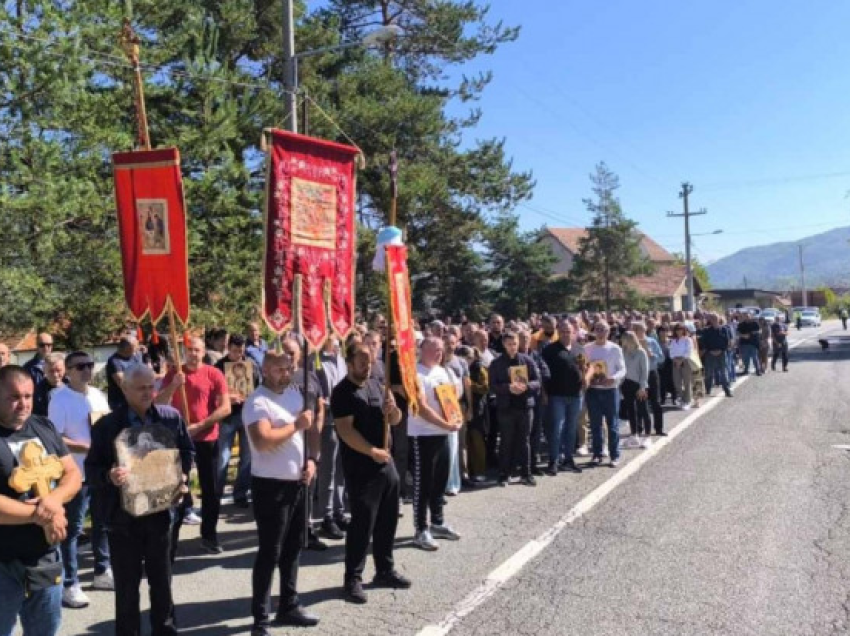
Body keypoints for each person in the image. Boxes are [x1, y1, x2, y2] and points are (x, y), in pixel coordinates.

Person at [86, 364, 194, 636]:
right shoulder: (106, 426)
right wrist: (109, 475)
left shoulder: (170, 418)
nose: (148, 393)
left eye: (151, 387)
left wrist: (182, 477)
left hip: (161, 514)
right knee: (126, 588)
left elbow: (187, 452)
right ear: (125, 389)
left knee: (162, 584)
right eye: (140, 388)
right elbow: (92, 469)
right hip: (124, 520)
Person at [0, 365, 82, 636]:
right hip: (4, 561)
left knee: (45, 631)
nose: (22, 403)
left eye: (27, 395)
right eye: (13, 397)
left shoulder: (43, 426)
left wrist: (54, 500)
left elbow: (72, 473)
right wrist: (42, 514)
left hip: (45, 556)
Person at [242, 352, 320, 634]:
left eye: (289, 368)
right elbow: (262, 441)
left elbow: (309, 431)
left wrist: (312, 460)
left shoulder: (294, 396)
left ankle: (289, 604)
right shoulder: (257, 401)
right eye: (279, 369)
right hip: (270, 486)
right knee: (270, 552)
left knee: (293, 548)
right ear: (265, 369)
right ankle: (260, 618)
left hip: (297, 483)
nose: (285, 373)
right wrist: (295, 425)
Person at [331, 342, 411, 604]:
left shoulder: (378, 385)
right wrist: (371, 451)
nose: (368, 366)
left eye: (371, 361)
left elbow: (395, 420)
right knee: (362, 525)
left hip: (386, 465)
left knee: (388, 521)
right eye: (362, 362)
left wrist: (394, 410)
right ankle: (352, 578)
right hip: (361, 466)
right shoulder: (342, 392)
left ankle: (384, 570)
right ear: (350, 362)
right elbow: (345, 431)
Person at [48, 352, 112, 609]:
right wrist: (86, 447)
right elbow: (56, 438)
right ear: (68, 372)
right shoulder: (59, 399)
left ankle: (101, 571)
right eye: (81, 367)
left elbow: (107, 426)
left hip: (100, 470)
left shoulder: (97, 394)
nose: (87, 370)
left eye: (90, 365)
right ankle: (70, 583)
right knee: (73, 529)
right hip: (75, 473)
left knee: (103, 523)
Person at [157, 337, 231, 554]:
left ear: (203, 353)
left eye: (197, 350)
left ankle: (209, 535)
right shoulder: (175, 373)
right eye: (189, 350)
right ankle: (171, 539)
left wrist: (201, 425)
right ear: (184, 351)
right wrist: (173, 385)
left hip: (207, 438)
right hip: (180, 439)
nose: (193, 354)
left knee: (211, 490)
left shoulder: (213, 373)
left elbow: (225, 407)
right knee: (177, 488)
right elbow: (159, 402)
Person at [407, 337, 463, 551]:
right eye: (435, 349)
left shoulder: (442, 371)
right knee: (423, 484)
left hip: (443, 434)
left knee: (440, 480)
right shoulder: (415, 374)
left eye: (441, 349)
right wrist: (445, 424)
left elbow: (451, 402)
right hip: (423, 435)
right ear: (423, 350)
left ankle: (437, 522)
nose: (439, 352)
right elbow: (420, 408)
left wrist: (455, 419)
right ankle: (420, 529)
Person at [489, 332, 541, 486]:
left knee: (524, 441)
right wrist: (508, 388)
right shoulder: (496, 363)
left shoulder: (527, 360)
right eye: (509, 344)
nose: (512, 347)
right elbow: (492, 386)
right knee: (506, 441)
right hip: (506, 407)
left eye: (515, 344)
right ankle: (504, 474)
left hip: (525, 406)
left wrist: (526, 386)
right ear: (504, 344)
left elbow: (537, 381)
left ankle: (526, 474)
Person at [215, 335, 258, 509]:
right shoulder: (219, 366)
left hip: (246, 415)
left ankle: (240, 493)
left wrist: (250, 396)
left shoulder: (252, 365)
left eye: (240, 351)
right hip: (227, 418)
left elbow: (258, 386)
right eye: (234, 351)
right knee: (223, 458)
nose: (238, 355)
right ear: (228, 348)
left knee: (247, 458)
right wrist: (226, 399)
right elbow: (213, 393)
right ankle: (216, 494)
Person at [313, 335, 349, 539]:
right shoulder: (316, 360)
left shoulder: (342, 360)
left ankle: (339, 511)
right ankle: (327, 516)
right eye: (331, 336)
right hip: (327, 420)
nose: (335, 341)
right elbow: (316, 391)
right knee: (328, 469)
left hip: (344, 419)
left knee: (341, 469)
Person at [541, 319, 585, 475]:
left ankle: (568, 459)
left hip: (576, 395)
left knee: (571, 429)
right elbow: (543, 374)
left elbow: (586, 367)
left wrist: (586, 376)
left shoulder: (579, 348)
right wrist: (544, 393)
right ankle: (554, 460)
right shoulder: (549, 350)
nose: (566, 334)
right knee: (556, 429)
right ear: (558, 332)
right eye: (563, 331)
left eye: (569, 331)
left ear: (574, 332)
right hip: (556, 396)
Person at [584, 322, 626, 467]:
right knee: (595, 425)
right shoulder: (587, 348)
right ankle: (597, 454)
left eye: (604, 330)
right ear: (594, 331)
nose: (600, 332)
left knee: (612, 424)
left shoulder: (615, 348)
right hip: (593, 391)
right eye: (598, 329)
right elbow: (583, 367)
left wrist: (613, 378)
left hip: (610, 391)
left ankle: (614, 455)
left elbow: (622, 369)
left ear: (608, 332)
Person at [633, 322, 665, 436]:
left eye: (640, 329)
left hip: (651, 373)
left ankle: (659, 428)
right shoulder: (632, 343)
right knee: (640, 402)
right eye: (636, 329)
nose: (638, 332)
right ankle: (639, 428)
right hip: (638, 375)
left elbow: (661, 358)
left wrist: (650, 354)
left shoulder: (652, 341)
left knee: (656, 401)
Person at [620, 331, 651, 444]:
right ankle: (634, 434)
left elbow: (644, 371)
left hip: (639, 384)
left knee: (643, 410)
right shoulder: (623, 352)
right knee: (631, 410)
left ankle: (647, 436)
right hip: (626, 383)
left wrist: (642, 387)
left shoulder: (641, 352)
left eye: (624, 339)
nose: (622, 341)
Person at [700, 314, 733, 398]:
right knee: (708, 373)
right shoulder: (706, 331)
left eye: (715, 318)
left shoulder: (725, 329)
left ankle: (727, 390)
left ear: (719, 319)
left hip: (722, 353)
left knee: (724, 373)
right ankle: (707, 390)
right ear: (710, 320)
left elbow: (728, 342)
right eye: (712, 319)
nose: (714, 320)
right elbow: (704, 343)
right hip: (710, 354)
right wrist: (710, 351)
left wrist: (721, 350)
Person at [106, 337, 142, 412]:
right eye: (136, 347)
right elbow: (122, 382)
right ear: (127, 348)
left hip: (137, 400)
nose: (138, 349)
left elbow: (145, 373)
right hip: (120, 402)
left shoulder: (136, 356)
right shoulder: (114, 361)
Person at [33, 352, 66, 417]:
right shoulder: (37, 393)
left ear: (65, 369)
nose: (55, 375)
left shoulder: (73, 388)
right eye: (51, 371)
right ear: (44, 370)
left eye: (58, 370)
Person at [669, 324, 694, 409]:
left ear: (684, 330)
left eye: (681, 329)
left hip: (685, 361)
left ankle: (687, 401)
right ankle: (681, 399)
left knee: (687, 381)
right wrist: (675, 360)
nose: (679, 331)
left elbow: (688, 351)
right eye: (677, 329)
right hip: (675, 361)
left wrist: (681, 360)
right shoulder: (673, 340)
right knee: (677, 382)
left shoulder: (688, 340)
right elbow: (671, 352)